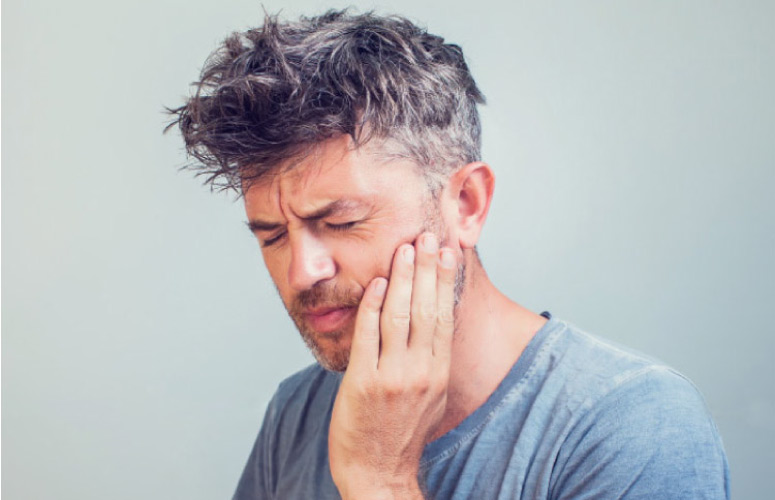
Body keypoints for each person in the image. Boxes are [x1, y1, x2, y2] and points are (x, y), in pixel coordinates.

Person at [168, 9, 730, 500]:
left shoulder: (633, 425)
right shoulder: (297, 411)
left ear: (466, 203)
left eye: (341, 221)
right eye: (271, 236)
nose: (301, 270)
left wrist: (379, 482)